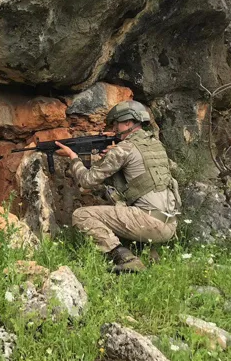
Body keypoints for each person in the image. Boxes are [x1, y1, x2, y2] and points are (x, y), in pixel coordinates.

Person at [55, 100, 180, 273]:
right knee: (124, 201)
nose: (113, 129)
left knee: (81, 215)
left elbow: (87, 181)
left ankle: (124, 257)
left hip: (150, 224)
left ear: (128, 122)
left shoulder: (124, 149)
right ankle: (150, 253)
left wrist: (73, 158)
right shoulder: (155, 145)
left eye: (116, 124)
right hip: (170, 223)